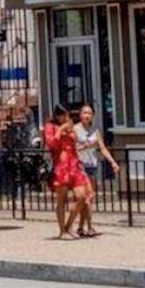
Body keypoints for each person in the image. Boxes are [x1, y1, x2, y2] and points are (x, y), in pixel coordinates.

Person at [73, 103, 117, 239]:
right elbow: (72, 149)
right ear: (80, 115)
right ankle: (90, 226)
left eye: (89, 113)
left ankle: (81, 227)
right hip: (80, 166)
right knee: (88, 197)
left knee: (88, 199)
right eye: (84, 113)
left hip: (92, 165)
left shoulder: (95, 130)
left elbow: (102, 148)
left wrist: (112, 162)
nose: (87, 115)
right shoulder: (75, 129)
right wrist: (86, 145)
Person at [43, 105, 85, 240]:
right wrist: (60, 129)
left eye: (68, 115)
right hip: (61, 165)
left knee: (81, 196)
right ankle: (62, 231)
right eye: (64, 115)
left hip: (73, 164)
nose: (66, 118)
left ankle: (69, 225)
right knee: (61, 199)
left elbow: (76, 141)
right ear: (58, 116)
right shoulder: (50, 126)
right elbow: (51, 144)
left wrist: (71, 130)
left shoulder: (71, 127)